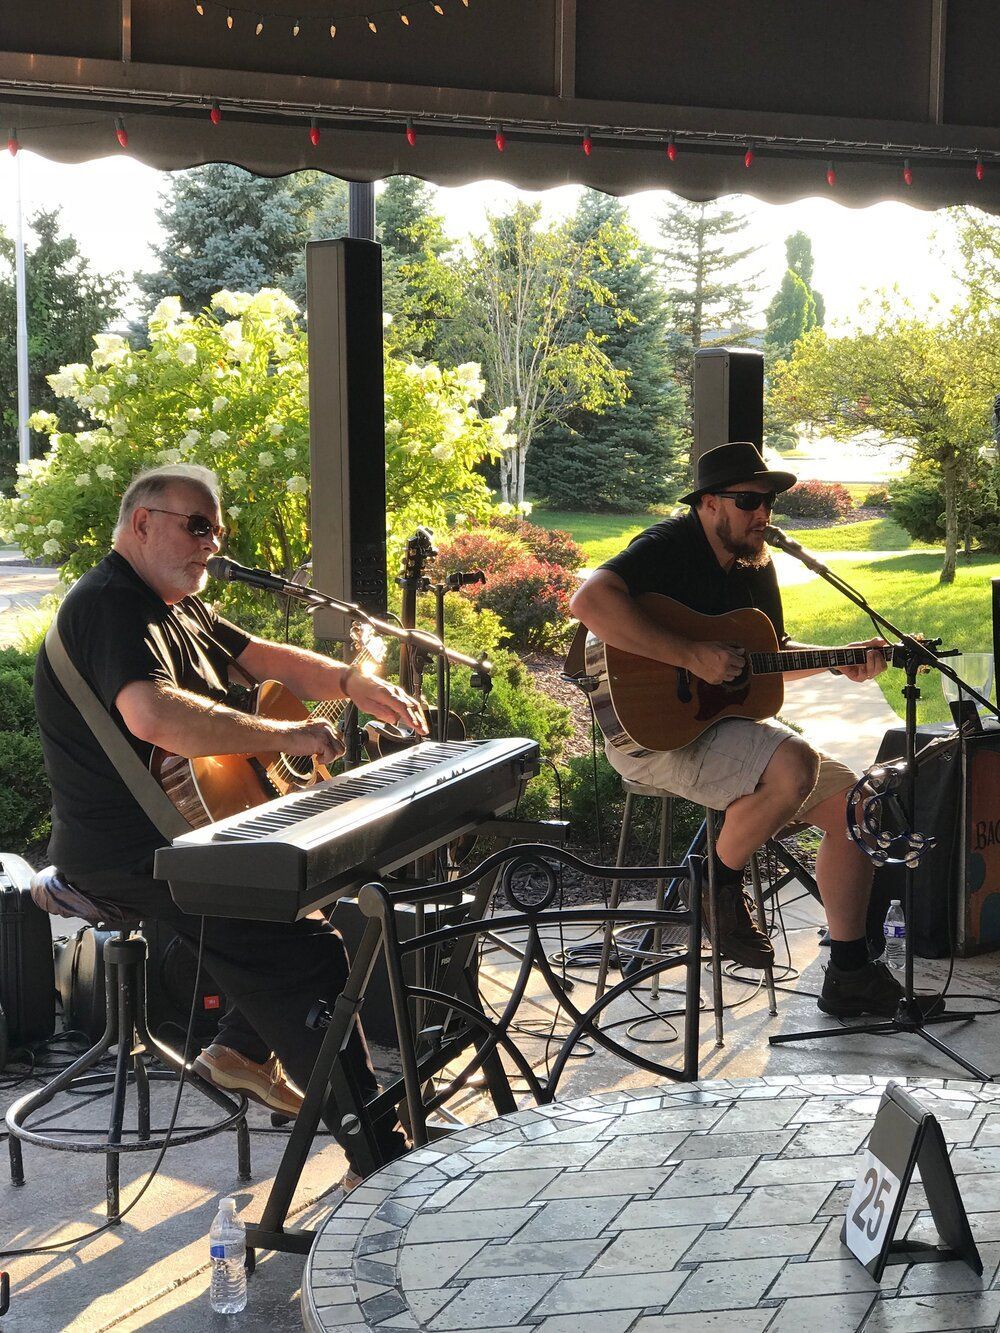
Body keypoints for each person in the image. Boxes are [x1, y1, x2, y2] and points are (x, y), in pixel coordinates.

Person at [34, 463, 427, 1174]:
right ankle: (381, 1157)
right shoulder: (109, 604)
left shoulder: (175, 605)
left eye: (217, 530)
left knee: (313, 908)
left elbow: (261, 659)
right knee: (302, 951)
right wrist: (287, 736)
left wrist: (350, 682)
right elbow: (154, 716)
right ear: (142, 522)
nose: (212, 544)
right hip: (132, 852)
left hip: (182, 837)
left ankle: (242, 1049)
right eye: (197, 526)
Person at [570, 441, 902, 1018]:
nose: (762, 514)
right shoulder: (669, 543)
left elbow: (765, 657)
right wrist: (689, 655)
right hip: (650, 736)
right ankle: (715, 885)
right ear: (708, 504)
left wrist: (838, 659)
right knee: (793, 763)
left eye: (768, 502)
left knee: (858, 812)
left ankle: (850, 972)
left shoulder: (757, 565)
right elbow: (589, 601)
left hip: (725, 729)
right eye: (748, 501)